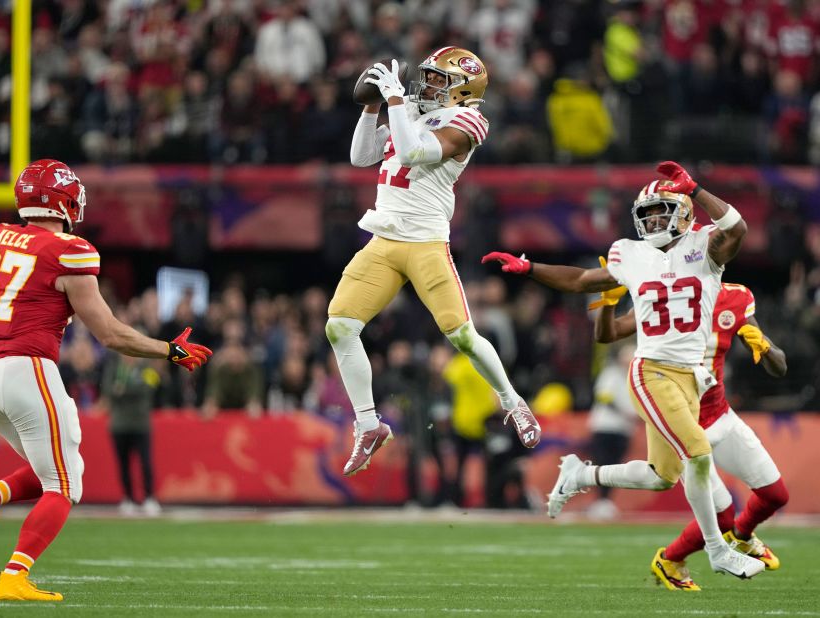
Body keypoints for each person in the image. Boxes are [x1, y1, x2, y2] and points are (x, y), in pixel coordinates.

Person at [0, 159, 212, 602]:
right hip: (26, 369)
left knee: (56, 469)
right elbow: (110, 333)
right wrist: (168, 349)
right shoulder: (68, 250)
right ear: (61, 200)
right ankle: (14, 576)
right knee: (65, 485)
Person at [481, 161, 765, 580]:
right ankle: (717, 549)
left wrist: (697, 188)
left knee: (662, 476)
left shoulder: (704, 246)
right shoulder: (631, 254)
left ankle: (581, 473)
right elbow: (581, 280)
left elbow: (738, 228)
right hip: (652, 370)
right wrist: (530, 269)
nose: (652, 219)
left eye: (661, 210)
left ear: (684, 211)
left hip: (691, 378)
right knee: (699, 456)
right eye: (646, 213)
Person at [327, 48, 540, 477]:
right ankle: (368, 425)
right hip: (384, 239)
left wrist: (396, 103)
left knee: (461, 336)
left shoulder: (469, 122)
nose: (426, 85)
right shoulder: (412, 115)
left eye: (438, 80)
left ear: (463, 90)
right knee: (339, 326)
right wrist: (373, 106)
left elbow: (411, 155)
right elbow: (361, 156)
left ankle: (513, 402)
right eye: (427, 77)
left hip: (425, 243)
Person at [594, 280, 788, 590]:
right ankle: (670, 559)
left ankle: (741, 536)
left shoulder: (736, 297)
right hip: (684, 422)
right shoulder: (662, 294)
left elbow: (779, 368)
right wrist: (607, 304)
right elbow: (610, 333)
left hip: (720, 414)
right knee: (719, 516)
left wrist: (765, 347)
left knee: (776, 495)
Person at [101, 350, 162, 517]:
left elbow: (149, 387)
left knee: (145, 462)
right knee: (123, 464)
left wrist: (123, 389)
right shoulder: (114, 367)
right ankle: (128, 498)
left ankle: (149, 498)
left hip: (141, 424)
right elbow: (107, 390)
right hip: (119, 424)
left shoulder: (146, 368)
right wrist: (123, 390)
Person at [584, 339, 638, 519]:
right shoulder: (611, 374)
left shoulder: (634, 378)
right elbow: (604, 397)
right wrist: (625, 412)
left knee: (615, 465)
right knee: (602, 462)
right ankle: (599, 501)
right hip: (605, 426)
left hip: (624, 429)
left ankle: (606, 501)